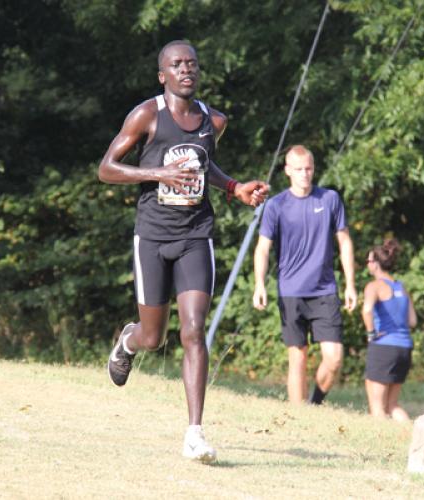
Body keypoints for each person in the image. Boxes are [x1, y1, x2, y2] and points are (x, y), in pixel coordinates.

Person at [98, 40, 269, 463]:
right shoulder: (146, 115)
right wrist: (158, 173)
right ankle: (128, 340)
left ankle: (194, 433)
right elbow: (106, 169)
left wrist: (234, 187)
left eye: (191, 63)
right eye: (176, 65)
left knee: (193, 330)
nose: (186, 69)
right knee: (153, 337)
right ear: (163, 76)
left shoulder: (214, 120)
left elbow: (203, 163)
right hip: (153, 235)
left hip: (196, 233)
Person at [252, 145, 357, 404]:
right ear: (288, 171)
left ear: (314, 168)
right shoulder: (276, 205)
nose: (304, 174)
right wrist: (259, 285)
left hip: (325, 290)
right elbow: (263, 249)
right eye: (298, 169)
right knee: (297, 356)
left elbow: (344, 242)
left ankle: (316, 401)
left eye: (308, 168)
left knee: (333, 359)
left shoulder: (330, 199)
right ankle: (299, 415)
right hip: (290, 290)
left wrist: (351, 285)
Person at [362, 238, 417, 421]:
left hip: (384, 346)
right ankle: (408, 437)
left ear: (376, 264)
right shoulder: (401, 287)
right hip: (404, 348)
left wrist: (371, 333)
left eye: (369, 261)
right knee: (392, 406)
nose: (367, 264)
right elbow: (412, 321)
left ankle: (380, 445)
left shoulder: (374, 286)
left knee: (377, 408)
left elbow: (367, 310)